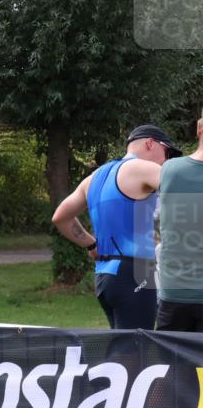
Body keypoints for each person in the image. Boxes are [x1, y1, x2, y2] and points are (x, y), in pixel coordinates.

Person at [52, 124, 182, 329]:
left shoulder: (94, 177)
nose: (167, 160)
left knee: (122, 350)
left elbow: (60, 217)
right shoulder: (143, 168)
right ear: (150, 143)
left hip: (105, 276)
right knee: (137, 353)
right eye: (168, 152)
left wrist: (90, 244)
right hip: (135, 273)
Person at [156, 112, 203, 331]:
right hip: (178, 292)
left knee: (172, 363)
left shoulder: (169, 170)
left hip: (174, 291)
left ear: (198, 130)